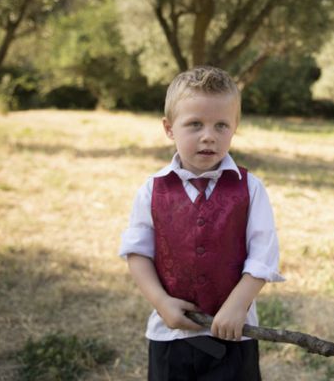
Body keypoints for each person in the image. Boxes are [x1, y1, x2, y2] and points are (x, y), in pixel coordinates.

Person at [119, 66, 283, 381]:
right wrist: (161, 302)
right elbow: (137, 253)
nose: (209, 135)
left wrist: (238, 306)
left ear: (235, 128)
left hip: (235, 335)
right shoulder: (152, 190)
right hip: (170, 336)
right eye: (195, 124)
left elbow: (263, 256)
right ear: (169, 128)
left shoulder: (250, 188)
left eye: (221, 125)